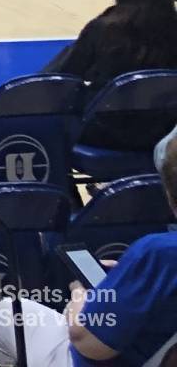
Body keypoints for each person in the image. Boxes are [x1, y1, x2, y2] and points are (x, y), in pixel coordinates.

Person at [64, 129, 177, 363]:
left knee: (6, 313)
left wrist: (79, 295)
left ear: (168, 193)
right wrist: (131, 276)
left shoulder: (156, 251)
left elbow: (89, 343)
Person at [45, 0, 177, 93]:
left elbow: (61, 75)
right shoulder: (171, 26)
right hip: (164, 111)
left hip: (108, 113)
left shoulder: (102, 30)